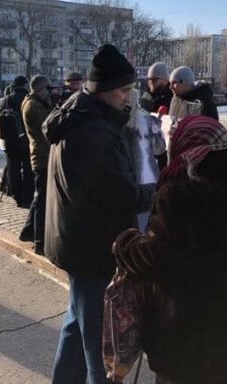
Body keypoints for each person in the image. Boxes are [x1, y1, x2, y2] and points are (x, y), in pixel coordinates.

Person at [114, 115, 227, 384]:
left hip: (186, 344)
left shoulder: (178, 194)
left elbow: (154, 259)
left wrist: (126, 242)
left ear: (182, 147)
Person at [43, 44, 154, 384]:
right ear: (103, 90)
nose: (127, 97)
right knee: (101, 346)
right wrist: (152, 190)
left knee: (77, 326)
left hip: (77, 241)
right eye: (123, 90)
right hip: (92, 248)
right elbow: (121, 194)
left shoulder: (81, 114)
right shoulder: (93, 131)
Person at [19, 75, 53, 255]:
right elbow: (49, 127)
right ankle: (39, 241)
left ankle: (28, 231)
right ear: (40, 89)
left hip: (42, 155)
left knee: (40, 197)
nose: (50, 92)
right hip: (42, 157)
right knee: (42, 200)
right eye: (48, 89)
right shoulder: (33, 106)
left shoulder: (34, 102)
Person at [124, 88, 164, 232]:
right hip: (151, 178)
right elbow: (160, 149)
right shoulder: (149, 119)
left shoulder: (116, 122)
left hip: (130, 179)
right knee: (148, 225)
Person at [0, 75, 34, 208]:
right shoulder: (28, 99)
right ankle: (27, 197)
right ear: (25, 85)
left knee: (13, 169)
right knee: (28, 169)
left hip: (9, 140)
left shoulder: (5, 100)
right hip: (25, 139)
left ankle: (16, 196)